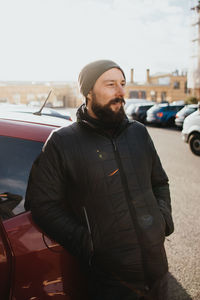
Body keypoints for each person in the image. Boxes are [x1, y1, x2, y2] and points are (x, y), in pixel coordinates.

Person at [25, 60, 174, 300]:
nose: (121, 92)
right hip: (108, 283)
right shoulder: (62, 142)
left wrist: (163, 221)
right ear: (88, 92)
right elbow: (42, 204)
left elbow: (160, 182)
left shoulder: (138, 132)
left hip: (157, 273)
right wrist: (89, 243)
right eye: (111, 84)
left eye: (123, 84)